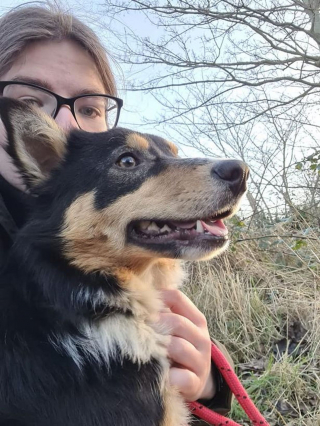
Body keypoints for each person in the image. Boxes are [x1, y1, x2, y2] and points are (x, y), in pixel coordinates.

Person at [0, 2, 233, 421]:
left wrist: (206, 384)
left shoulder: (133, 253)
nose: (67, 127)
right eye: (31, 101)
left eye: (90, 108)